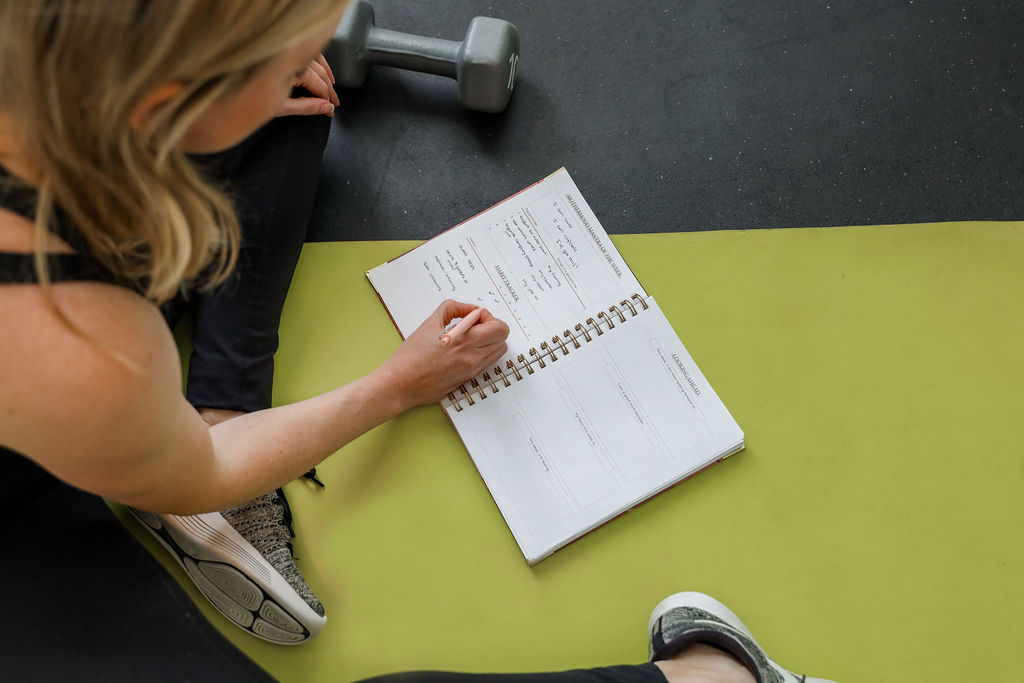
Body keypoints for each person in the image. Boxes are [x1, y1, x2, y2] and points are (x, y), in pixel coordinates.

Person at [0, 1, 836, 681]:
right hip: (37, 473)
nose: (314, 41)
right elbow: (200, 476)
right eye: (270, 44)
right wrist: (400, 381)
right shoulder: (82, 345)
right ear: (155, 96)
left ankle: (223, 407)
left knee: (294, 114)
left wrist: (236, 92)